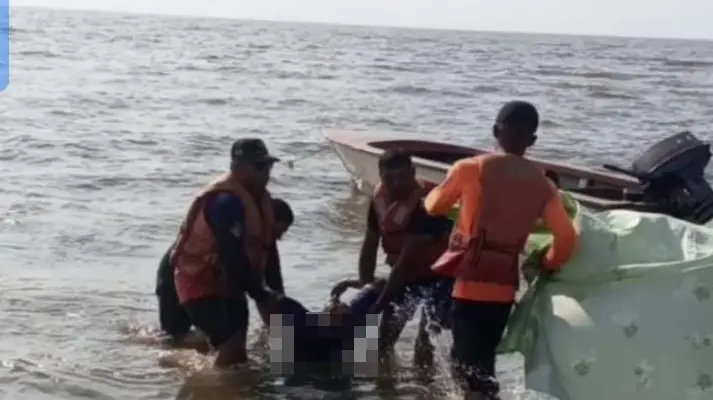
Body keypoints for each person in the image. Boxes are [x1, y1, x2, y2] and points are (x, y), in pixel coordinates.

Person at [423, 100, 578, 400]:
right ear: (532, 140)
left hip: (469, 284)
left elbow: (435, 206)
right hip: (505, 289)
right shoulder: (544, 185)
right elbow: (567, 238)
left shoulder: (470, 169)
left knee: (466, 368)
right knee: (483, 363)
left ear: (495, 131)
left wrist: (430, 192)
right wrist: (547, 262)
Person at [331, 149, 455, 366]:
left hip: (441, 278)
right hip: (407, 278)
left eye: (403, 177)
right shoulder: (379, 201)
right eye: (389, 179)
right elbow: (370, 244)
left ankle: (425, 391)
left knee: (425, 343)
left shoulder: (428, 205)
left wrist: (378, 305)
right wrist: (364, 281)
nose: (397, 185)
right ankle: (387, 388)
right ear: (380, 176)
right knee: (384, 340)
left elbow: (406, 262)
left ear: (413, 173)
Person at [170, 138, 286, 368]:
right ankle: (214, 388)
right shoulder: (225, 202)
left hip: (232, 283)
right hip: (200, 282)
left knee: (238, 355)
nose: (266, 173)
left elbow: (269, 251)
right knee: (231, 345)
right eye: (259, 166)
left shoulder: (263, 200)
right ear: (237, 167)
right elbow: (232, 254)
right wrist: (260, 294)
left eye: (269, 166)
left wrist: (277, 295)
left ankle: (220, 379)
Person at [155, 197, 295, 351]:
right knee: (173, 339)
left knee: (216, 338)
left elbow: (273, 287)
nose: (279, 238)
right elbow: (252, 285)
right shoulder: (234, 233)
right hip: (174, 275)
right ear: (265, 222)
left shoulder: (265, 246)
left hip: (205, 283)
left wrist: (279, 336)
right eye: (279, 231)